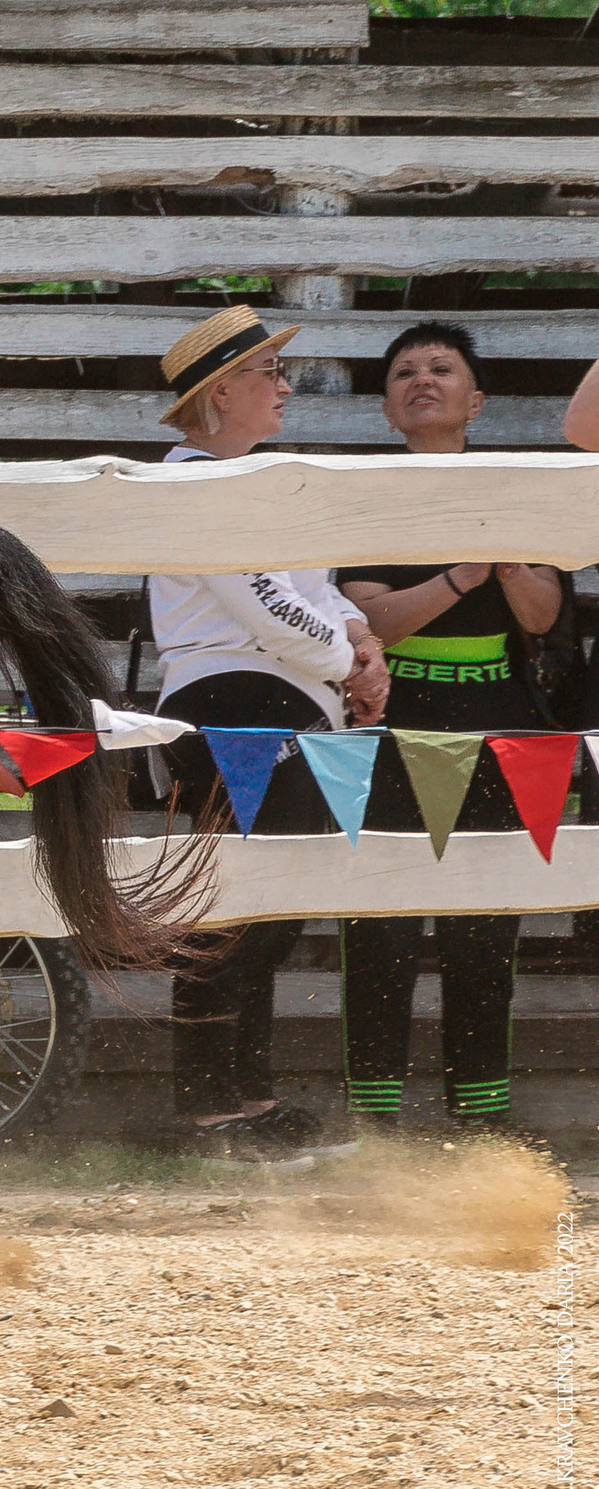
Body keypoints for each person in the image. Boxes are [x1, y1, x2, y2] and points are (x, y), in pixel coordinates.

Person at [148, 305, 389, 1166]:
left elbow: (310, 590)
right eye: (266, 374)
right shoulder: (194, 483)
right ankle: (215, 1114)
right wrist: (345, 661)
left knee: (271, 911)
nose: (284, 387)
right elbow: (266, 607)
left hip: (287, 699)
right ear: (220, 393)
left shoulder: (249, 478)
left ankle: (247, 1098)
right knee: (232, 916)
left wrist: (360, 636)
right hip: (233, 702)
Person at [335, 324, 560, 1132]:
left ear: (479, 399)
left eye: (441, 367)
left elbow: (541, 612)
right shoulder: (366, 496)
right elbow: (373, 621)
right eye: (403, 371)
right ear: (388, 406)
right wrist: (468, 567)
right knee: (380, 928)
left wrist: (505, 556)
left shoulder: (520, 491)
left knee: (483, 928)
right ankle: (374, 1125)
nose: (421, 380)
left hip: (503, 734)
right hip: (389, 726)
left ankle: (483, 1123)